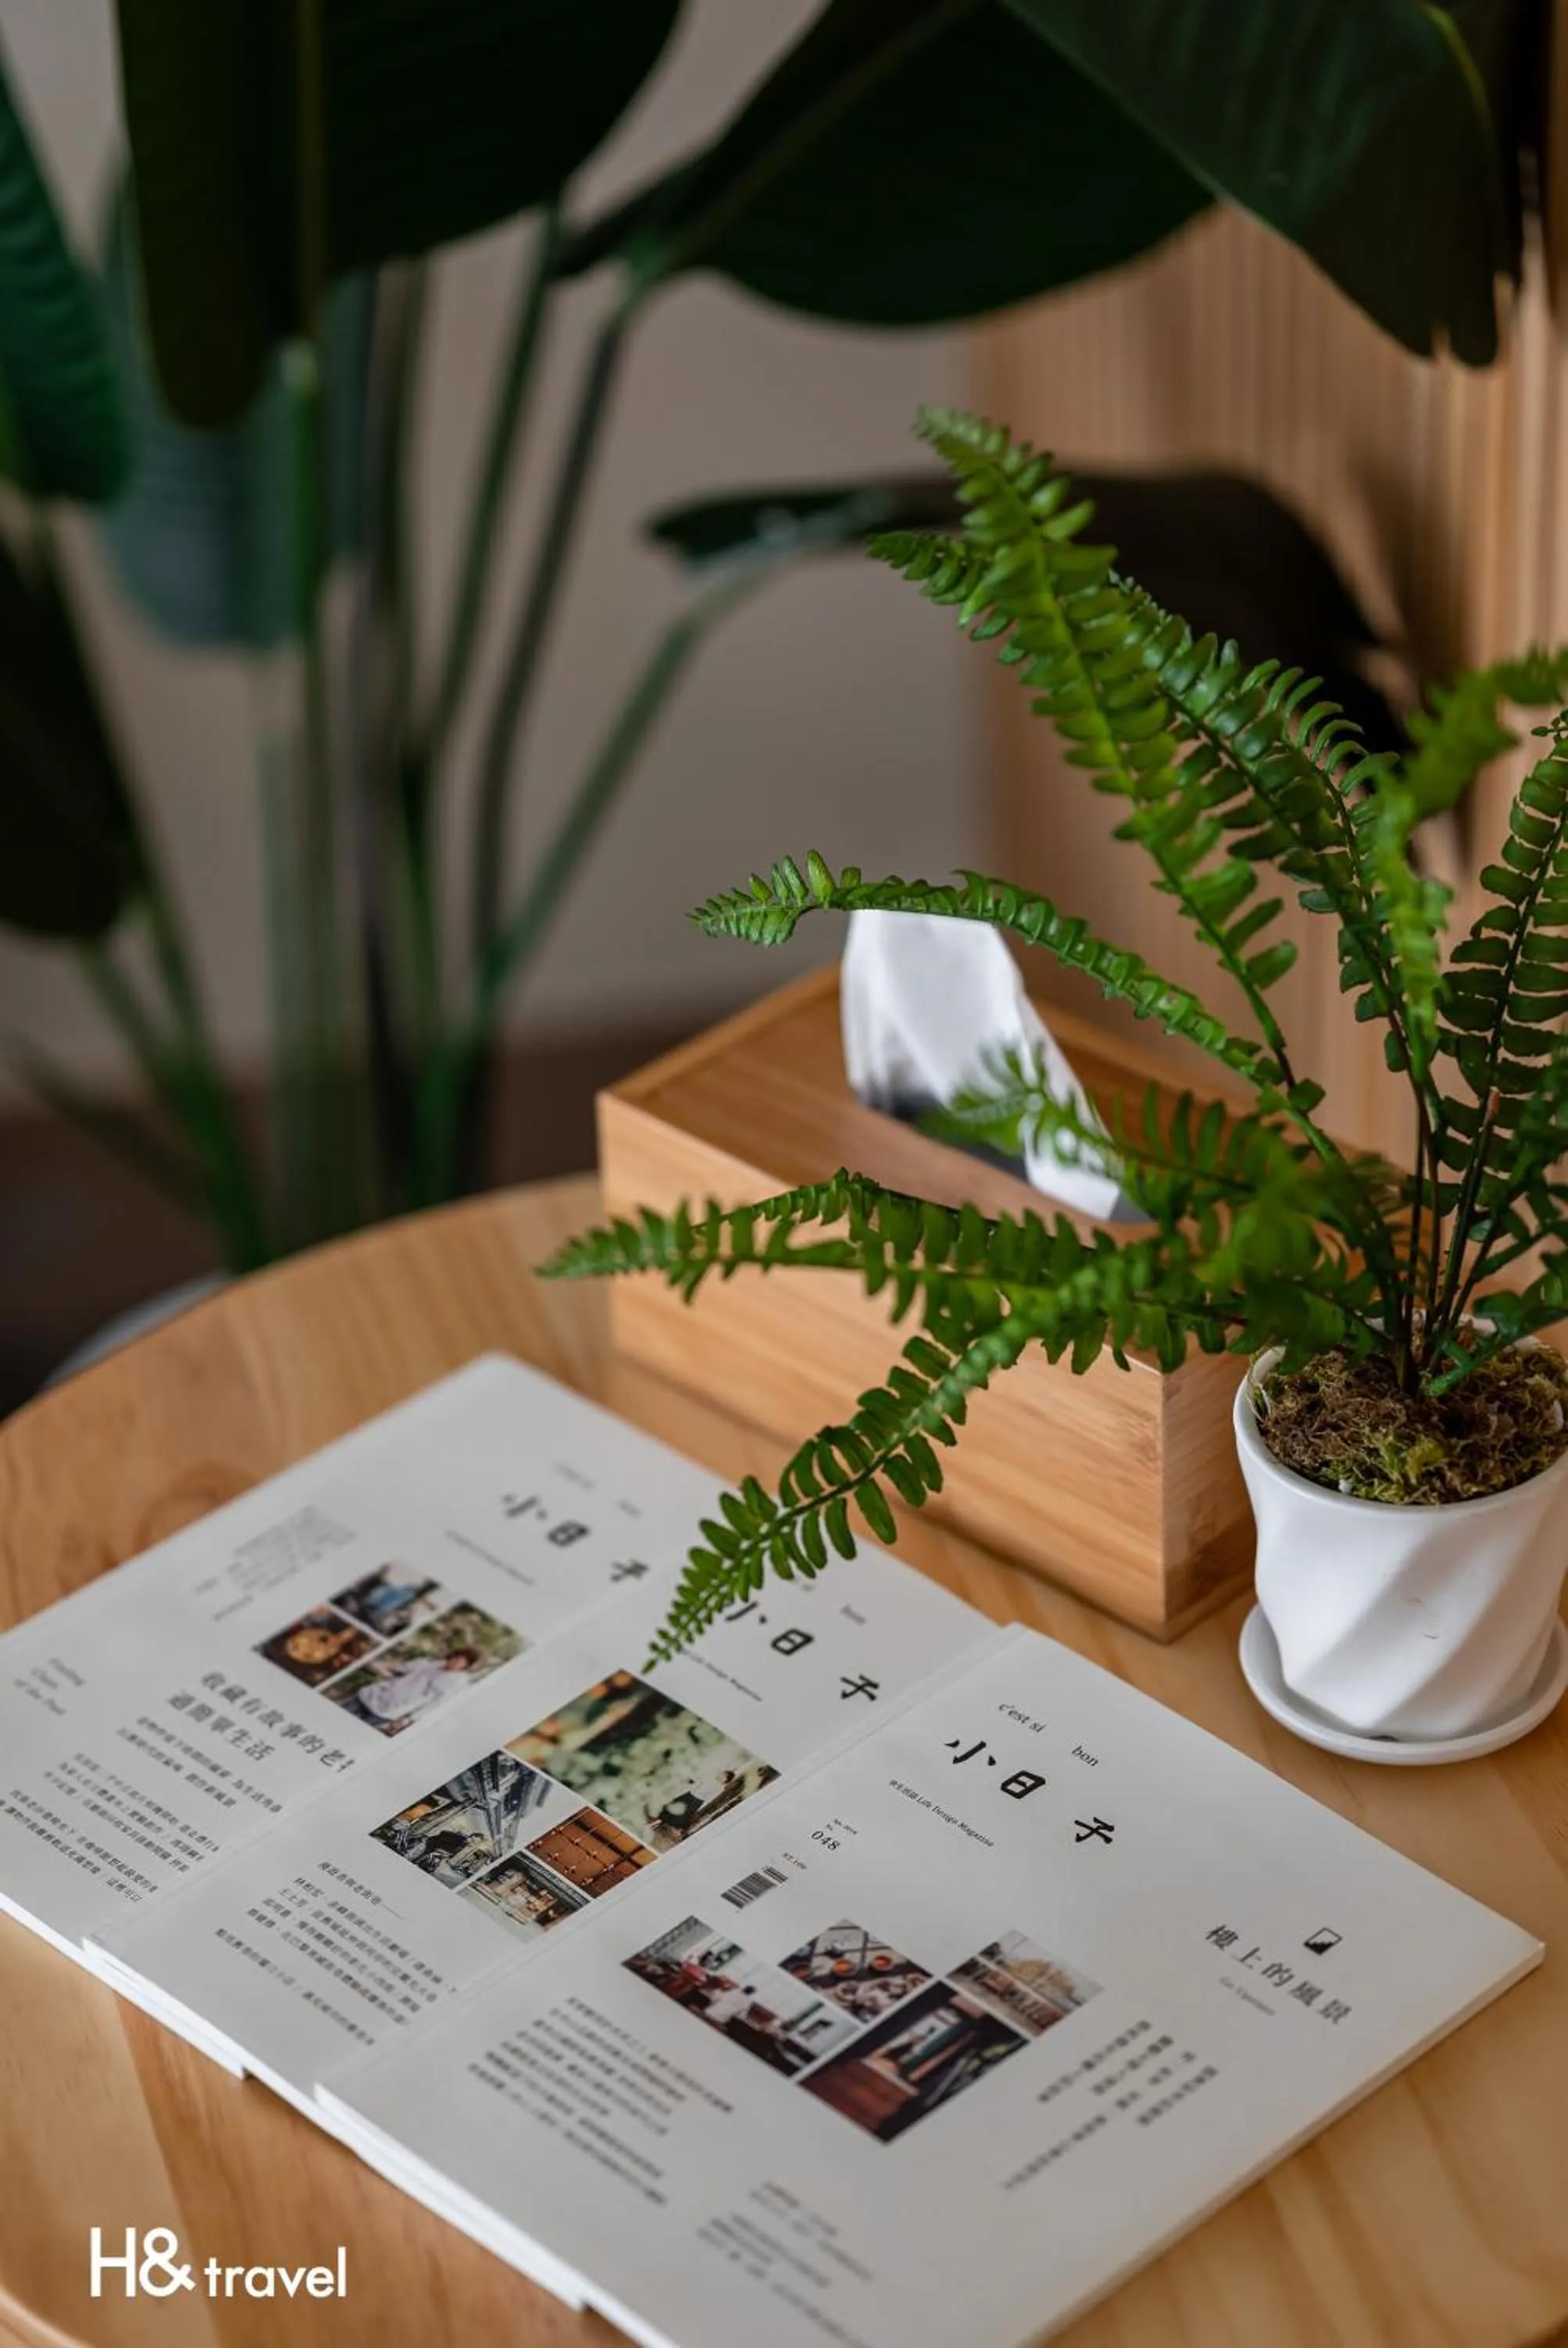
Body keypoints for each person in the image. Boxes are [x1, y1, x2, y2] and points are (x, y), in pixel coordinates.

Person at [336, 1644, 482, 1730]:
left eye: (461, 1662)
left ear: (466, 1667)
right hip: (371, 1696)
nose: (456, 1662)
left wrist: (410, 1719)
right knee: (337, 1717)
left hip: (387, 1712)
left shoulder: (455, 1684)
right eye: (456, 1658)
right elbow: (399, 1668)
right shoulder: (431, 1664)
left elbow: (435, 1704)